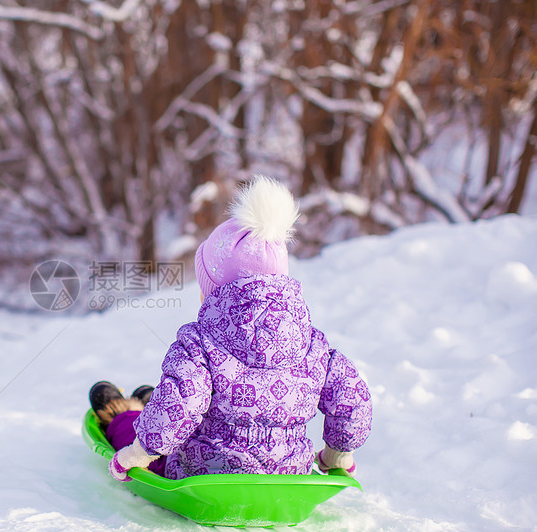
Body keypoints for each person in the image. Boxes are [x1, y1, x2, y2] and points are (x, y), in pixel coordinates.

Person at [88, 175, 372, 482]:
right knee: (172, 411)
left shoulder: (201, 342)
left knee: (148, 427)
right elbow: (351, 396)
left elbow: (184, 399)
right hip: (288, 474)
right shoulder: (312, 345)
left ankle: (124, 411)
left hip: (205, 474)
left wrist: (137, 454)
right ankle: (148, 401)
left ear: (214, 292)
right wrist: (337, 455)